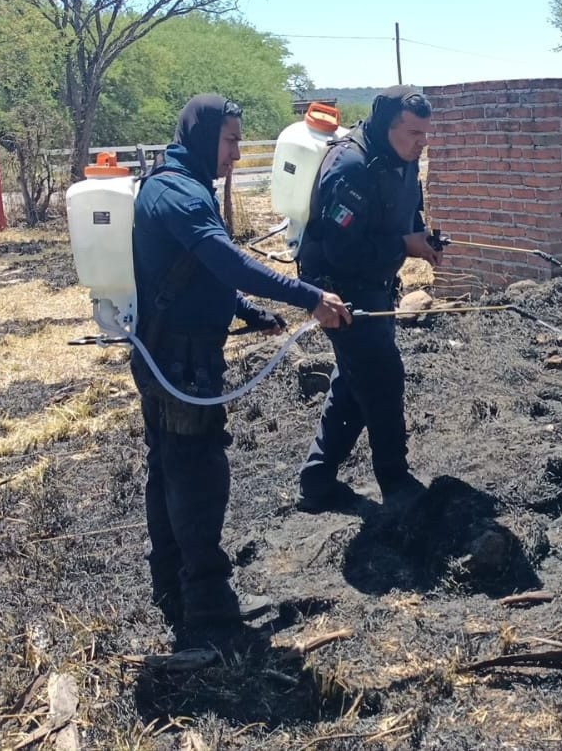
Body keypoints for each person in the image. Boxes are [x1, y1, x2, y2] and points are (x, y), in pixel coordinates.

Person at [131, 94, 351, 646]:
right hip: (180, 362)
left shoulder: (179, 184)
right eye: (230, 141)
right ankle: (207, 603)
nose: (234, 153)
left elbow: (198, 270)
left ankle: (173, 589)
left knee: (170, 469)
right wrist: (309, 296)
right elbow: (226, 260)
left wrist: (245, 309)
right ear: (204, 137)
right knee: (197, 475)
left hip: (170, 352)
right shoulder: (180, 194)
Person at [295, 86, 441, 513]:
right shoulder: (351, 167)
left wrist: (422, 237)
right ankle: (396, 484)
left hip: (375, 281)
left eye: (425, 133)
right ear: (385, 126)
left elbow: (409, 210)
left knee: (355, 381)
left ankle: (317, 481)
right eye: (413, 133)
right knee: (381, 378)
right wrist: (403, 246)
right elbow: (343, 251)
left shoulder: (402, 160)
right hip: (339, 288)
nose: (421, 142)